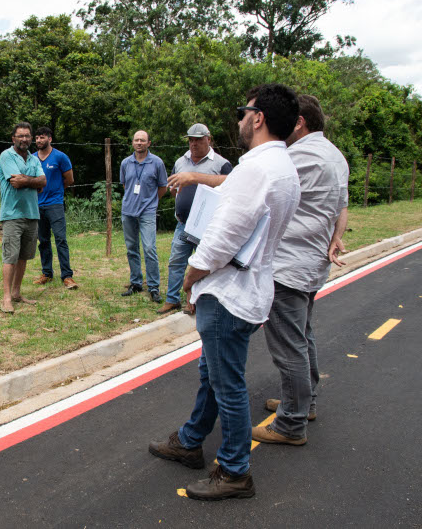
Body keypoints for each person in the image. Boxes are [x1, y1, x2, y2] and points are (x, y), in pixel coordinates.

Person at [149, 84, 301, 501]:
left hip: (229, 290)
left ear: (258, 118)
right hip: (252, 288)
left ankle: (234, 471)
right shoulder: (283, 167)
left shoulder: (254, 169)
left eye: (242, 112)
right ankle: (190, 439)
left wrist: (189, 277)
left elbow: (222, 237)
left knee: (227, 382)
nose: (238, 120)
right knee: (213, 374)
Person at [252, 95, 350, 446]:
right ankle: (302, 402)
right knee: (303, 335)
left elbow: (255, 187)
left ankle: (290, 423)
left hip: (289, 265)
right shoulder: (334, 155)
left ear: (299, 123)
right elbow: (342, 205)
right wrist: (334, 239)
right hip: (311, 263)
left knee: (288, 344)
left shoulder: (300, 156)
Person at [158, 123, 233, 314]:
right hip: (183, 224)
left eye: (198, 139)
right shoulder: (180, 161)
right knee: (176, 261)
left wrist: (194, 177)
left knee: (202, 264)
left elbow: (231, 185)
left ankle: (196, 301)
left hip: (208, 227)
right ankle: (172, 299)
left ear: (209, 139)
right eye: (191, 140)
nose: (194, 144)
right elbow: (174, 188)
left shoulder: (220, 163)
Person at [0, 122, 47, 314]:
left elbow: (43, 182)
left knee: (24, 256)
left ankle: (17, 293)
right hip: (12, 214)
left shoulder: (34, 159)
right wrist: (33, 181)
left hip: (32, 213)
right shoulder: (6, 156)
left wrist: (27, 180)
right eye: (20, 136)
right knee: (10, 256)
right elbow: (15, 182)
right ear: (13, 139)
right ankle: (6, 298)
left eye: (27, 136)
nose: (24, 139)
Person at [119, 130, 168, 302]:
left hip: (147, 211)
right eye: (136, 140)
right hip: (128, 211)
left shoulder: (157, 163)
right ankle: (136, 283)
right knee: (132, 248)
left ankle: (154, 287)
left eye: (143, 140)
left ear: (149, 143)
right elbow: (126, 185)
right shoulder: (126, 163)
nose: (139, 143)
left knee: (149, 248)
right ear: (132, 143)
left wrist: (151, 202)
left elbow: (163, 186)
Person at [32, 127, 79, 290]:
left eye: (42, 137)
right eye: (37, 138)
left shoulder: (60, 157)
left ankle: (67, 276)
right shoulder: (31, 158)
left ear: (50, 139)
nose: (39, 140)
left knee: (60, 239)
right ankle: (47, 273)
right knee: (43, 241)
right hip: (37, 205)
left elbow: (69, 179)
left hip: (55, 204)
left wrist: (57, 190)